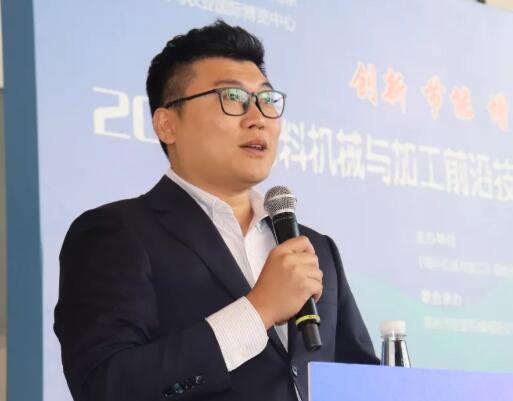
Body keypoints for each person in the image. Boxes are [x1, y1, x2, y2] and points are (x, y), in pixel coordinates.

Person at [54, 20, 379, 401]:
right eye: (233, 98)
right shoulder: (116, 233)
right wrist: (258, 310)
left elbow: (360, 380)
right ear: (167, 124)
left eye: (267, 100)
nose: (258, 118)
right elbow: (105, 386)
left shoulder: (314, 247)